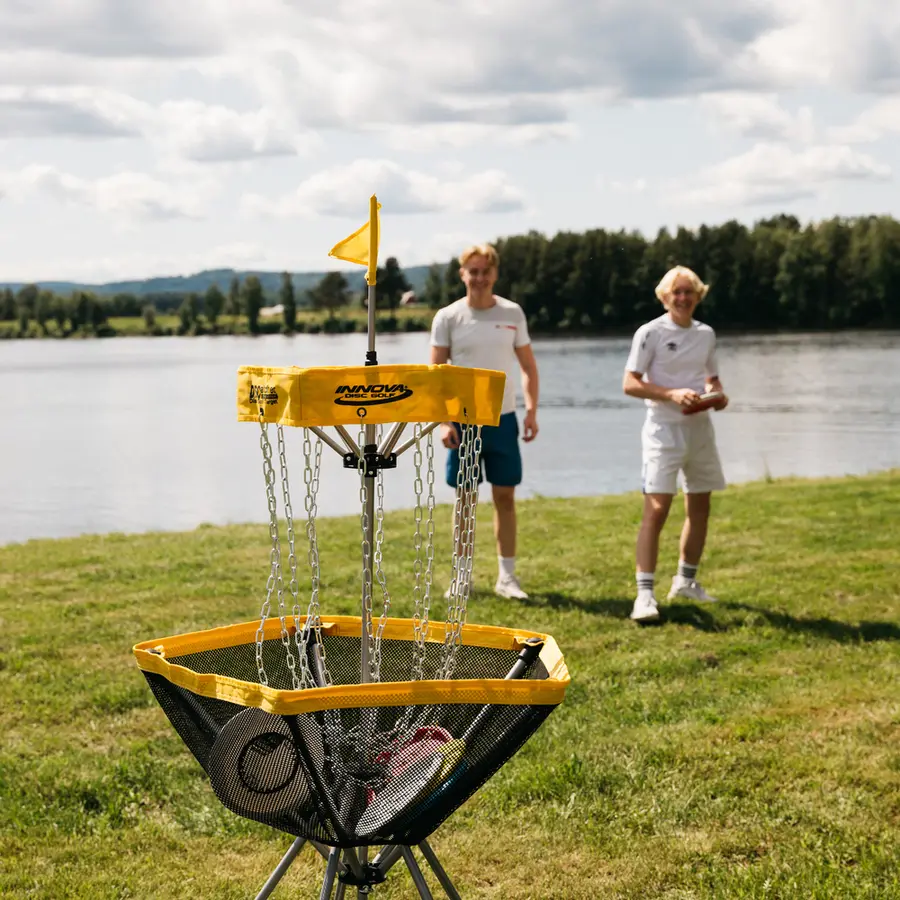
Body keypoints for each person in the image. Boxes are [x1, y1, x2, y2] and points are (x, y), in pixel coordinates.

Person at [429, 243, 539, 600]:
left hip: (504, 420)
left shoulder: (512, 313)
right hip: (463, 424)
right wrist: (445, 422)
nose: (479, 278)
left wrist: (532, 411)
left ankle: (507, 578)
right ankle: (462, 578)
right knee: (465, 499)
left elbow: (528, 367)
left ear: (495, 274)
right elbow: (436, 376)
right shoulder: (448, 317)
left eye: (485, 271)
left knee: (505, 498)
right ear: (463, 274)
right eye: (472, 271)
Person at [622, 265, 729, 623]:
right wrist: (670, 393)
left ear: (699, 295)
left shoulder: (706, 334)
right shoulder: (649, 333)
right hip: (662, 432)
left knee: (700, 508)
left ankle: (685, 581)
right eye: (676, 292)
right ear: (664, 296)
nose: (683, 298)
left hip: (700, 430)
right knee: (656, 510)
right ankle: (644, 596)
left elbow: (712, 378)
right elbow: (630, 383)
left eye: (689, 292)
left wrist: (716, 395)